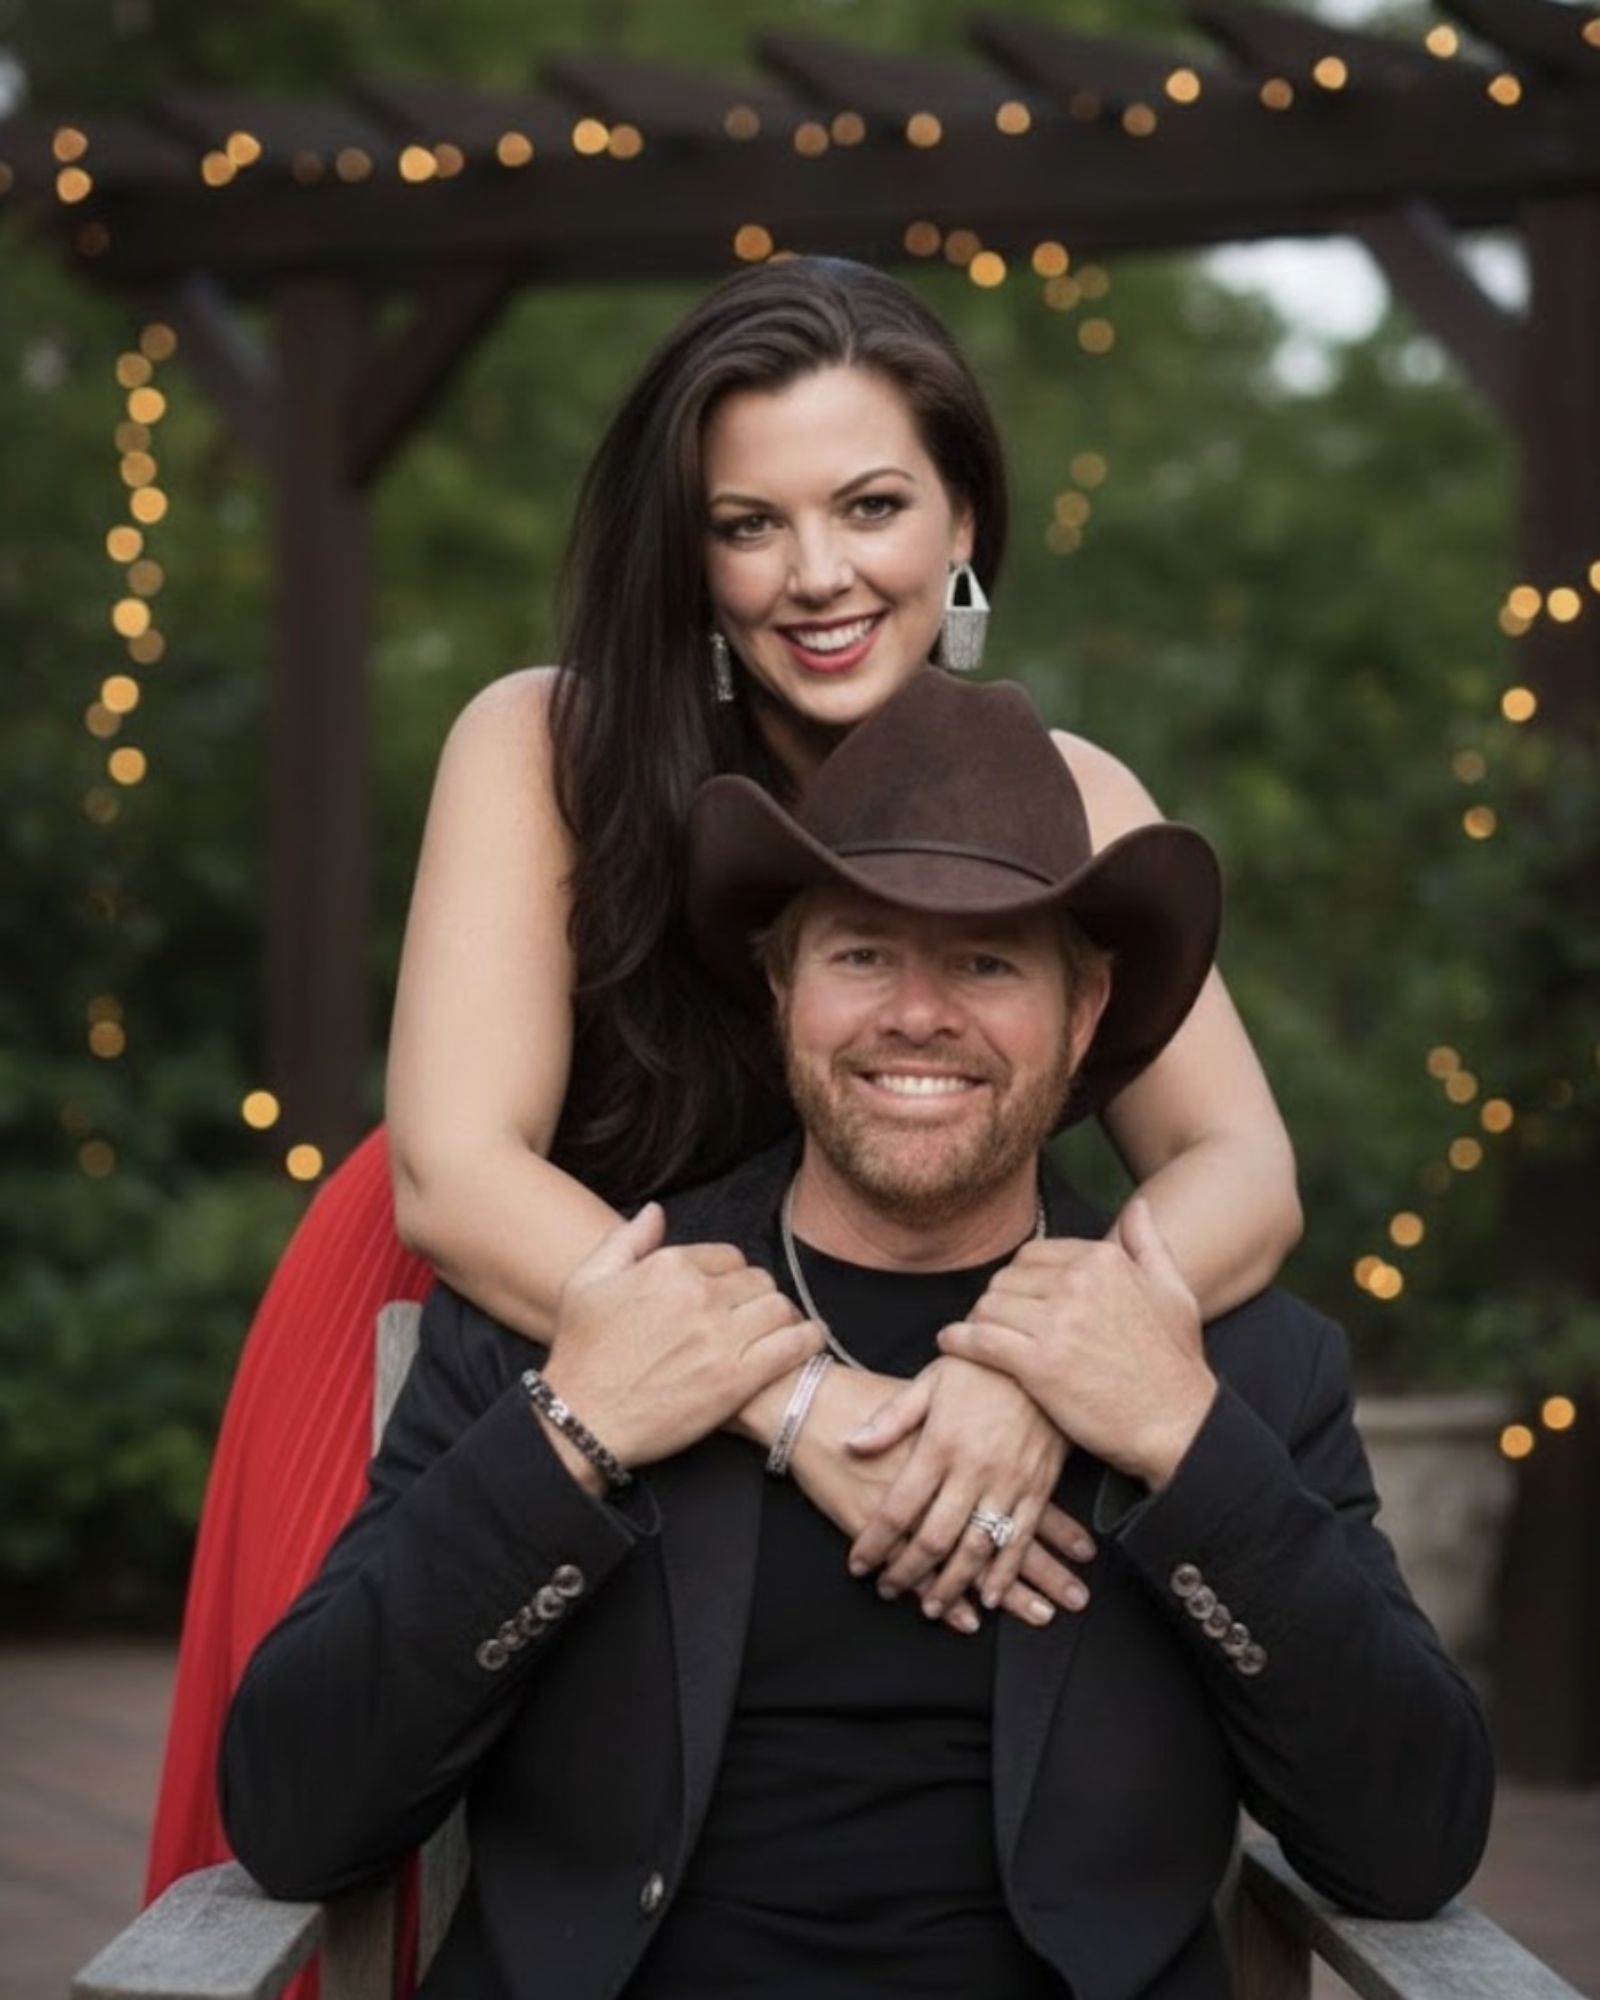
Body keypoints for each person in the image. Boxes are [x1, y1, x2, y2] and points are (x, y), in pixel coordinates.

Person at [149, 258, 1304, 1908]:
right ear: (689, 556)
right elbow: (455, 1172)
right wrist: (803, 1402)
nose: (815, 574)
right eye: (749, 524)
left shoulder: (1071, 795)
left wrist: (1043, 1365)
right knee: (353, 1870)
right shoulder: (545, 744)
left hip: (829, 1387)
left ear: (966, 520)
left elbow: (1244, 1167)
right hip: (499, 1337)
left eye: (871, 505)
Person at [220, 671, 1491, 2000]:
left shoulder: (1235, 1363)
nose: (918, 1013)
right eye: (862, 954)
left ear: (1086, 1013)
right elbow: (296, 1809)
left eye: (988, 961)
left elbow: (1409, 1845)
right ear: (781, 987)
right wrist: (572, 1435)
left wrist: (1184, 1439)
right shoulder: (584, 1319)